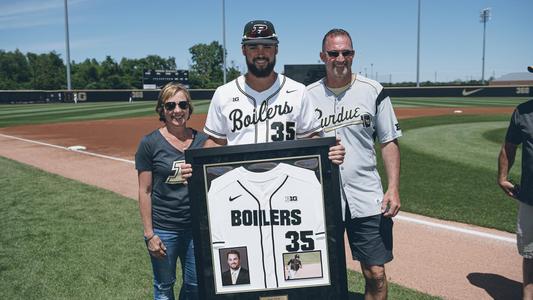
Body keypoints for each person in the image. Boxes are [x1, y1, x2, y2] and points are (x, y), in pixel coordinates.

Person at [305, 29, 402, 299]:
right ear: (323, 56)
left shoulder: (373, 91)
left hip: (366, 195)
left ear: (353, 55)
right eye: (334, 53)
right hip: (321, 200)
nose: (340, 58)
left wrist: (393, 188)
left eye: (346, 52)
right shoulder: (306, 96)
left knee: (376, 275)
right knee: (317, 275)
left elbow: (389, 142)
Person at [202, 19, 345, 165]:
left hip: (287, 182)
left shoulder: (297, 91)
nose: (260, 53)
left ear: (276, 49)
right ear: (243, 50)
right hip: (240, 182)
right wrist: (197, 166)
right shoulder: (224, 93)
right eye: (253, 47)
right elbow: (216, 142)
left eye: (267, 46)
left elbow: (310, 138)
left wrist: (328, 149)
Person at [135, 82, 208, 300]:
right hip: (165, 228)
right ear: (162, 110)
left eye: (182, 104)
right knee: (164, 286)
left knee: (195, 286)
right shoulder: (149, 143)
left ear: (189, 108)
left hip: (196, 229)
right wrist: (150, 234)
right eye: (170, 106)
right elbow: (144, 190)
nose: (177, 110)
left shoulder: (203, 141)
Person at [498, 72, 533, 299]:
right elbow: (509, 146)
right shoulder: (522, 112)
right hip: (531, 197)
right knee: (530, 253)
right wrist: (502, 176)